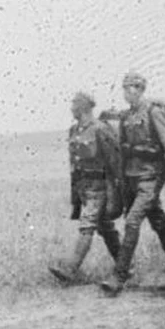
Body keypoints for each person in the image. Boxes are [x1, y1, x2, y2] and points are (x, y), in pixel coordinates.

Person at [100, 71, 165, 296]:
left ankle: (119, 276)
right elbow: (122, 152)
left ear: (141, 89)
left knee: (132, 222)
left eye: (131, 87)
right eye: (124, 88)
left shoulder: (153, 113)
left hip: (151, 177)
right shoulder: (126, 117)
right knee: (160, 224)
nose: (127, 92)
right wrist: (121, 182)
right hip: (132, 178)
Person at [50, 92, 122, 284]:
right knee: (105, 228)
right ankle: (126, 266)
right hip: (83, 186)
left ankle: (70, 269)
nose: (71, 109)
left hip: (99, 186)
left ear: (83, 107)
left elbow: (114, 161)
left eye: (74, 105)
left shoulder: (100, 129)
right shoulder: (74, 130)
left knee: (87, 225)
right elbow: (73, 162)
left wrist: (115, 189)